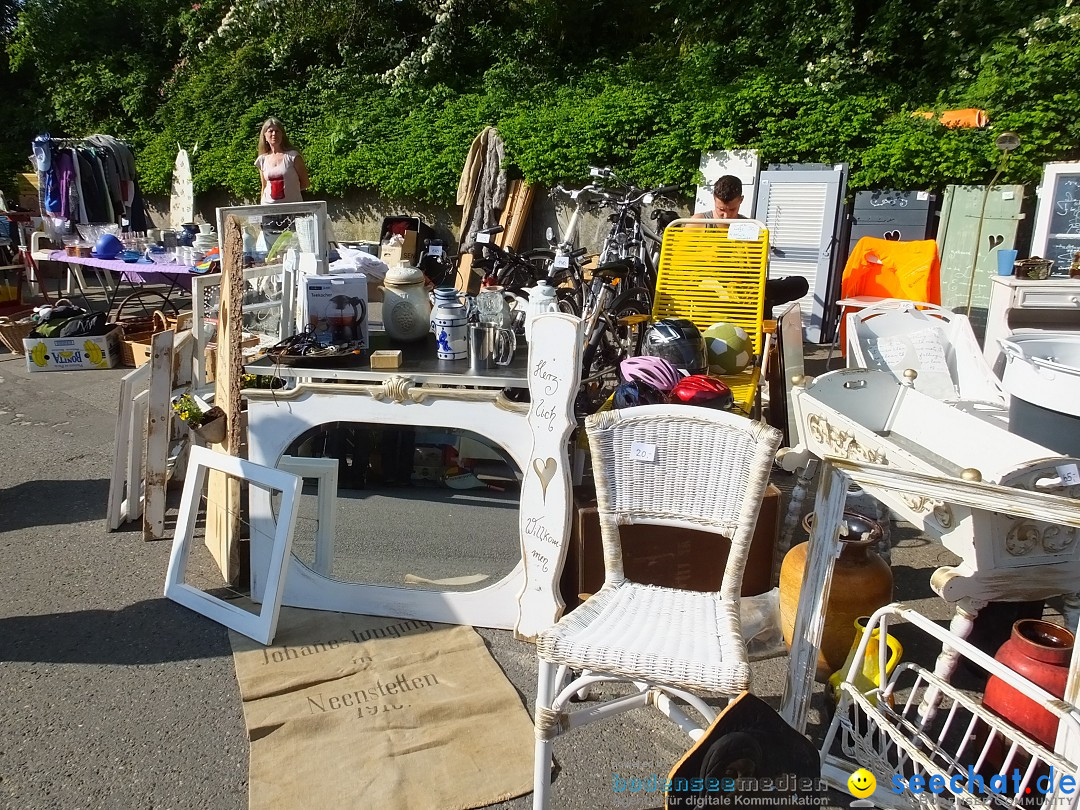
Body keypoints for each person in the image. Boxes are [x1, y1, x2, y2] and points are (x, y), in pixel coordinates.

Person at [693, 174, 808, 318]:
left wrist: (747, 258)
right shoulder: (699, 223)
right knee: (763, 301)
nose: (726, 216)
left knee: (800, 284)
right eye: (721, 210)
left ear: (741, 200)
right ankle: (762, 302)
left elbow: (754, 271)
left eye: (732, 210)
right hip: (708, 289)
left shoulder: (749, 227)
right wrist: (706, 256)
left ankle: (762, 299)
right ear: (714, 198)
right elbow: (677, 264)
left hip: (741, 288)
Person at [254, 117, 309, 204]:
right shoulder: (262, 160)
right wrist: (261, 208)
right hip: (269, 210)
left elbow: (305, 183)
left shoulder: (293, 157)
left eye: (277, 131)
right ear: (264, 135)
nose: (274, 134)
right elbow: (264, 186)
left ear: (282, 135)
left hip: (292, 210)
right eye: (270, 131)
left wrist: (290, 193)